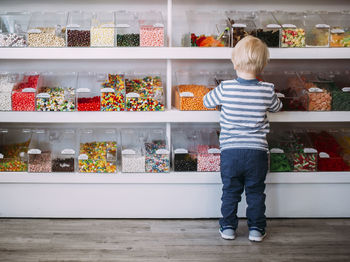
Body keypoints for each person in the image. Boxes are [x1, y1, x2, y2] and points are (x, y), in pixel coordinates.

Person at [203, 36, 282, 242]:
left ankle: (228, 227)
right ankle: (256, 229)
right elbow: (277, 107)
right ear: (263, 65)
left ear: (234, 62)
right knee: (255, 193)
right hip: (257, 152)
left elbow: (206, 101)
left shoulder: (226, 88)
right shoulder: (267, 89)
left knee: (230, 191)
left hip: (231, 151)